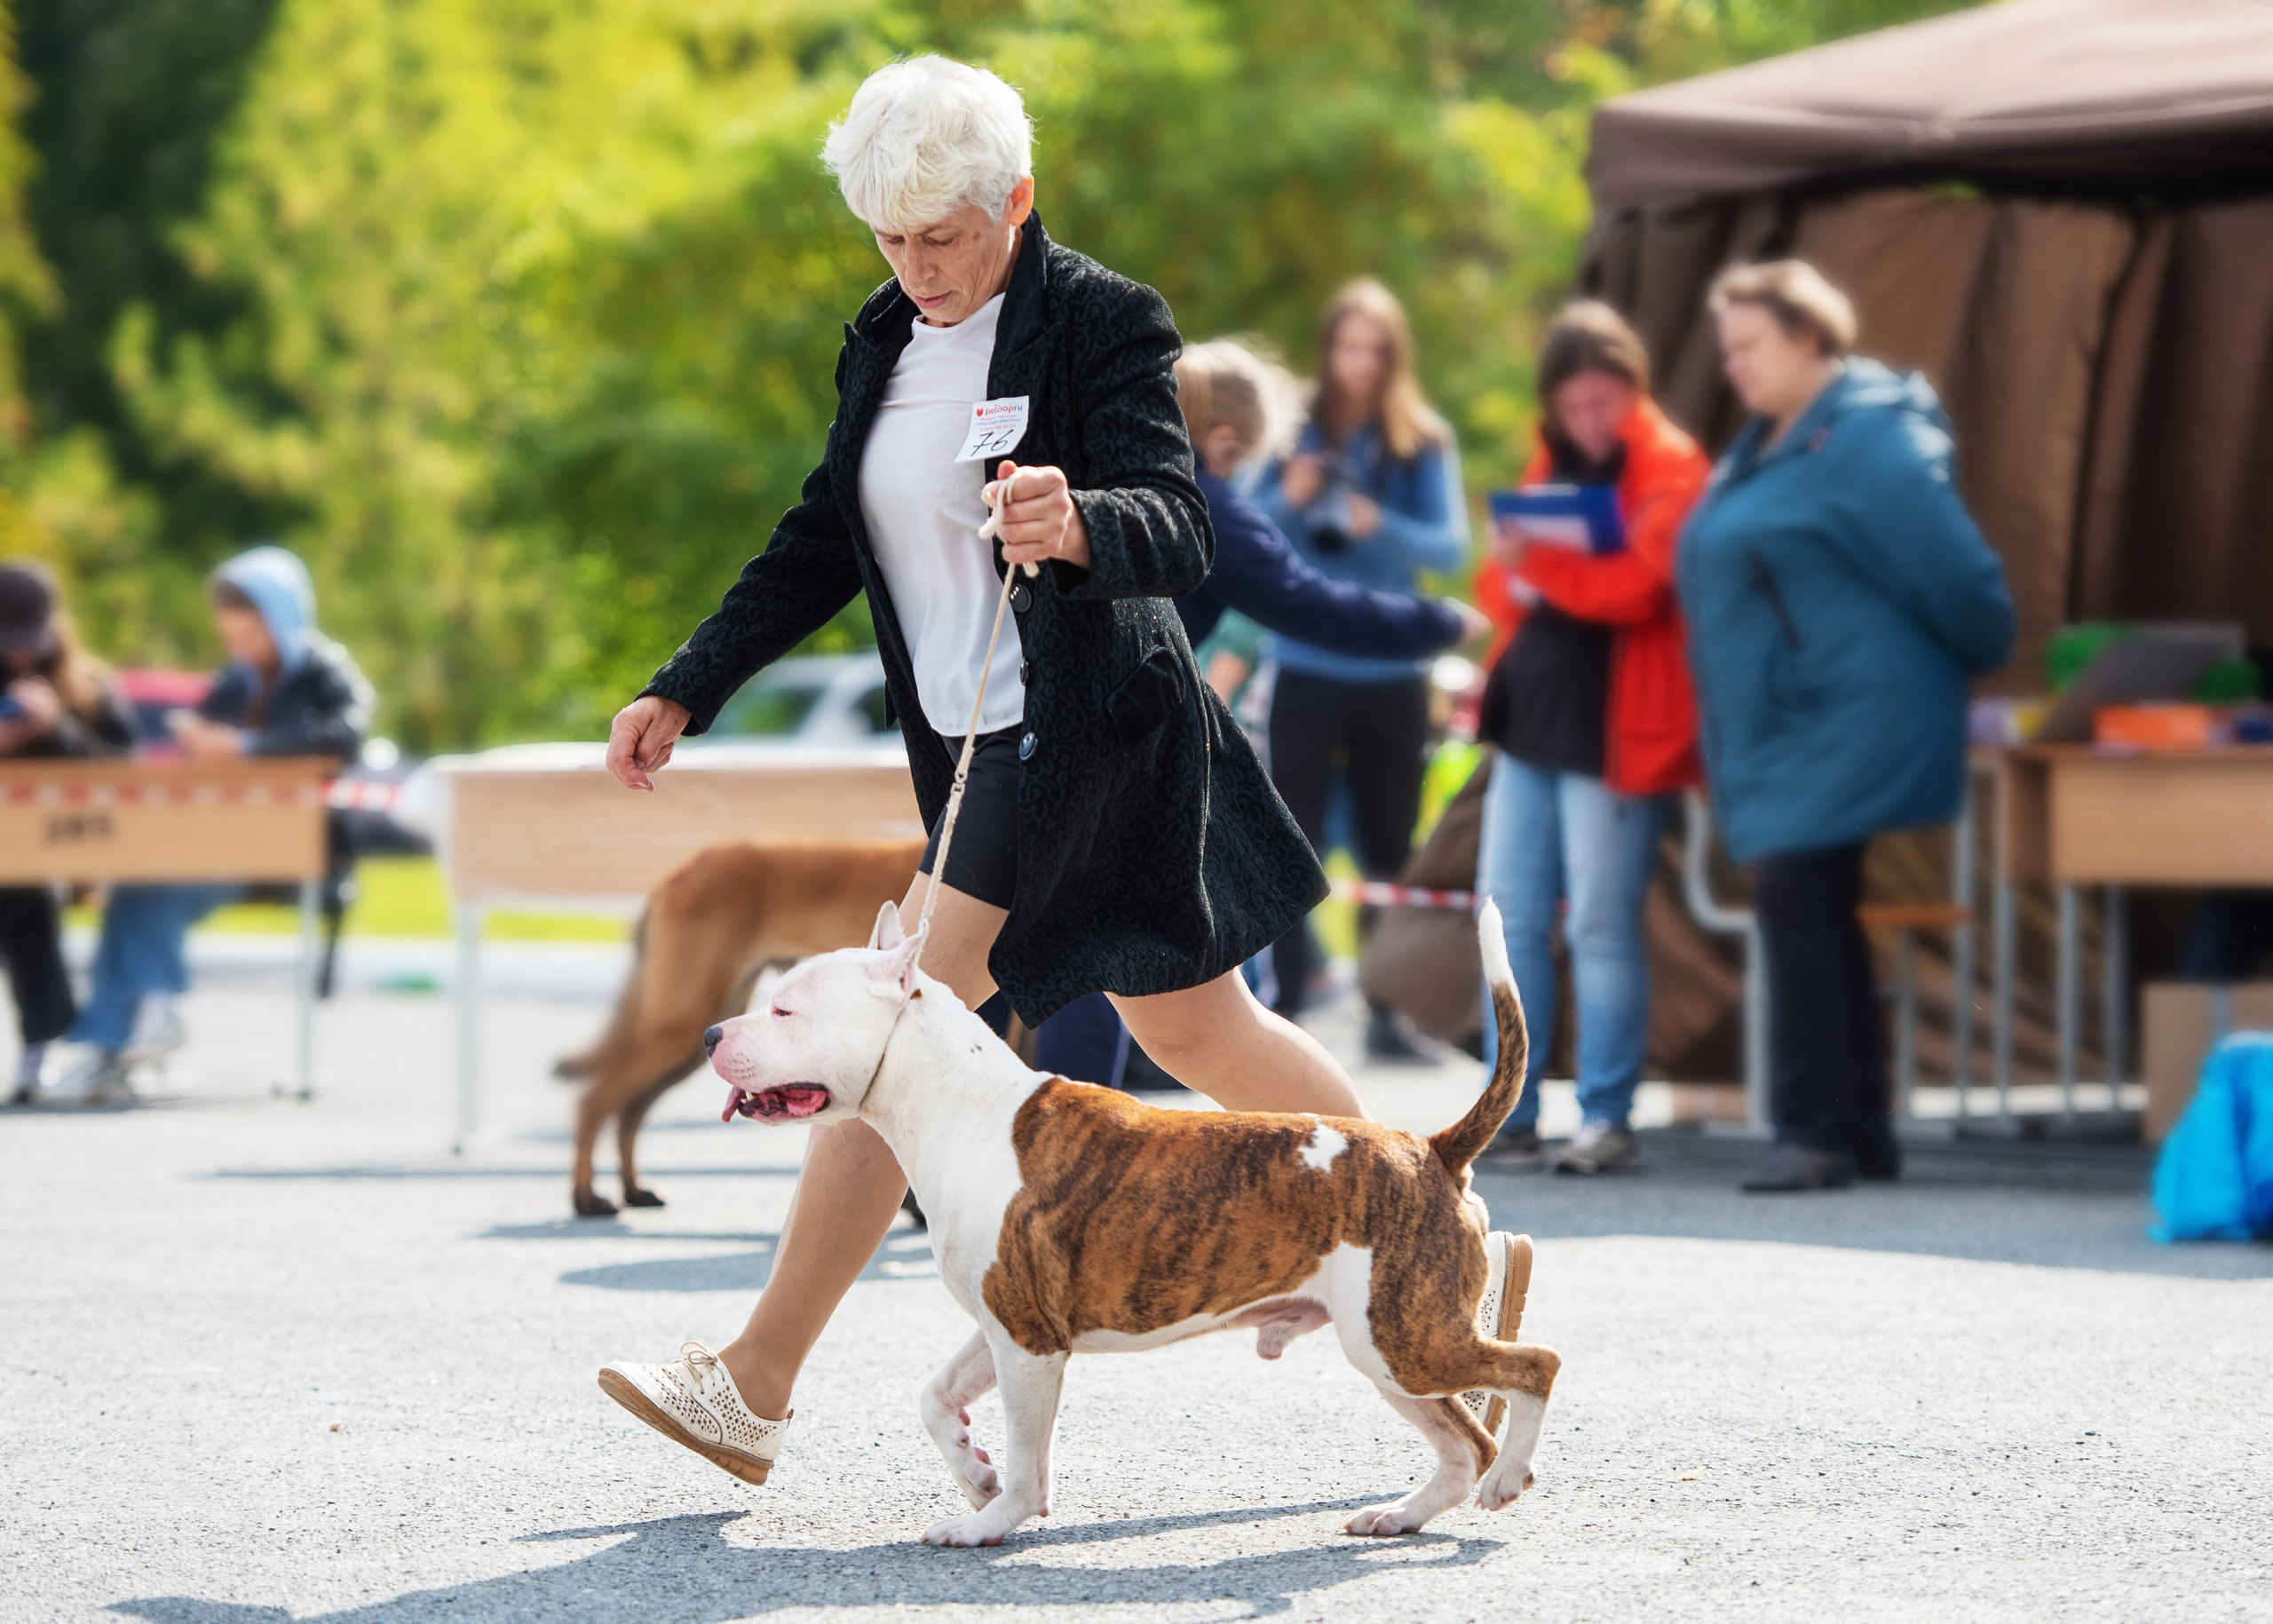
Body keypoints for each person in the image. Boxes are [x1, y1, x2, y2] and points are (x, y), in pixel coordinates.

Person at [595, 59, 1509, 1489]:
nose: (917, 270)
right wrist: (686, 682)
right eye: (889, 242)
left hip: (1101, 740)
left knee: (899, 1026)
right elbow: (822, 538)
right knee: (1207, 1035)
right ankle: (1431, 1227)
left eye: (943, 238)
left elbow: (1179, 524)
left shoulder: (1101, 317)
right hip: (977, 753)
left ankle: (754, 1383)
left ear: (1015, 201)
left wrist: (1079, 517)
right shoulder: (882, 340)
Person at [1677, 261, 2014, 1192]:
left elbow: (1958, 575)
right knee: (1813, 905)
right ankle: (1857, 1128)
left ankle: (1817, 1130)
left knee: (1797, 898)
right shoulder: (1771, 441)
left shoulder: (1867, 438)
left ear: (1808, 336)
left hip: (1846, 713)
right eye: (1727, 348)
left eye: (1749, 345)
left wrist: (1978, 648)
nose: (1733, 365)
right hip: (1795, 718)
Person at [1471, 303, 1709, 1174]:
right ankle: (1514, 1111)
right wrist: (1522, 570)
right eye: (1574, 407)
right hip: (1531, 720)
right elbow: (1497, 580)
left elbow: (1641, 584)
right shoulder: (1554, 459)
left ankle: (1606, 1114)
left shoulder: (1673, 464)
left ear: (1633, 391)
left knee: (1602, 924)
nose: (1590, 422)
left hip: (1618, 730)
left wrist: (1539, 566)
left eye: (1605, 403)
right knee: (1510, 917)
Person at [41, 545, 371, 1104]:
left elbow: (344, 738)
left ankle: (143, 1025)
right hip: (216, 840)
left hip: (286, 849)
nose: (243, 649)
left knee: (160, 884)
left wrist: (245, 747)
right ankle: (120, 1039)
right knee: (138, 884)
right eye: (234, 637)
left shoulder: (326, 674)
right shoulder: (233, 684)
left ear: (283, 617)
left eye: (253, 635)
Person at [1255, 281, 1470, 1056]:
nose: (1363, 366)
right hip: (1306, 665)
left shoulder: (1421, 440)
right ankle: (1282, 1018)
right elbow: (1239, 529)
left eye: (1377, 351)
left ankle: (1387, 1012)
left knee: (1392, 848)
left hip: (1393, 673)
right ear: (1329, 349)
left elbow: (1451, 551)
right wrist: (1293, 495)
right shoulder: (1290, 431)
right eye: (1350, 347)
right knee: (1288, 840)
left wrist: (1381, 522)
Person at [0, 561, 137, 1103]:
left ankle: (47, 1041)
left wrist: (57, 730)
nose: (22, 656)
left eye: (31, 641)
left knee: (27, 893)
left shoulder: (88, 688)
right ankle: (51, 1037)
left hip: (60, 851)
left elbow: (126, 773)